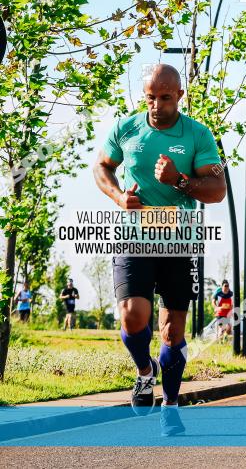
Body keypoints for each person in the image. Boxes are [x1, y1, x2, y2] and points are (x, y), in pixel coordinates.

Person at [93, 63, 227, 435]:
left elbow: (217, 191)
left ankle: (170, 404)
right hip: (133, 234)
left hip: (178, 240)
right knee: (133, 316)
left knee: (172, 332)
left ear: (179, 96)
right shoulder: (126, 128)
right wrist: (119, 196)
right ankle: (144, 371)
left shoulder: (198, 134)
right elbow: (102, 167)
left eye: (165, 98)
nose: (156, 105)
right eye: (150, 97)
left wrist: (179, 180)